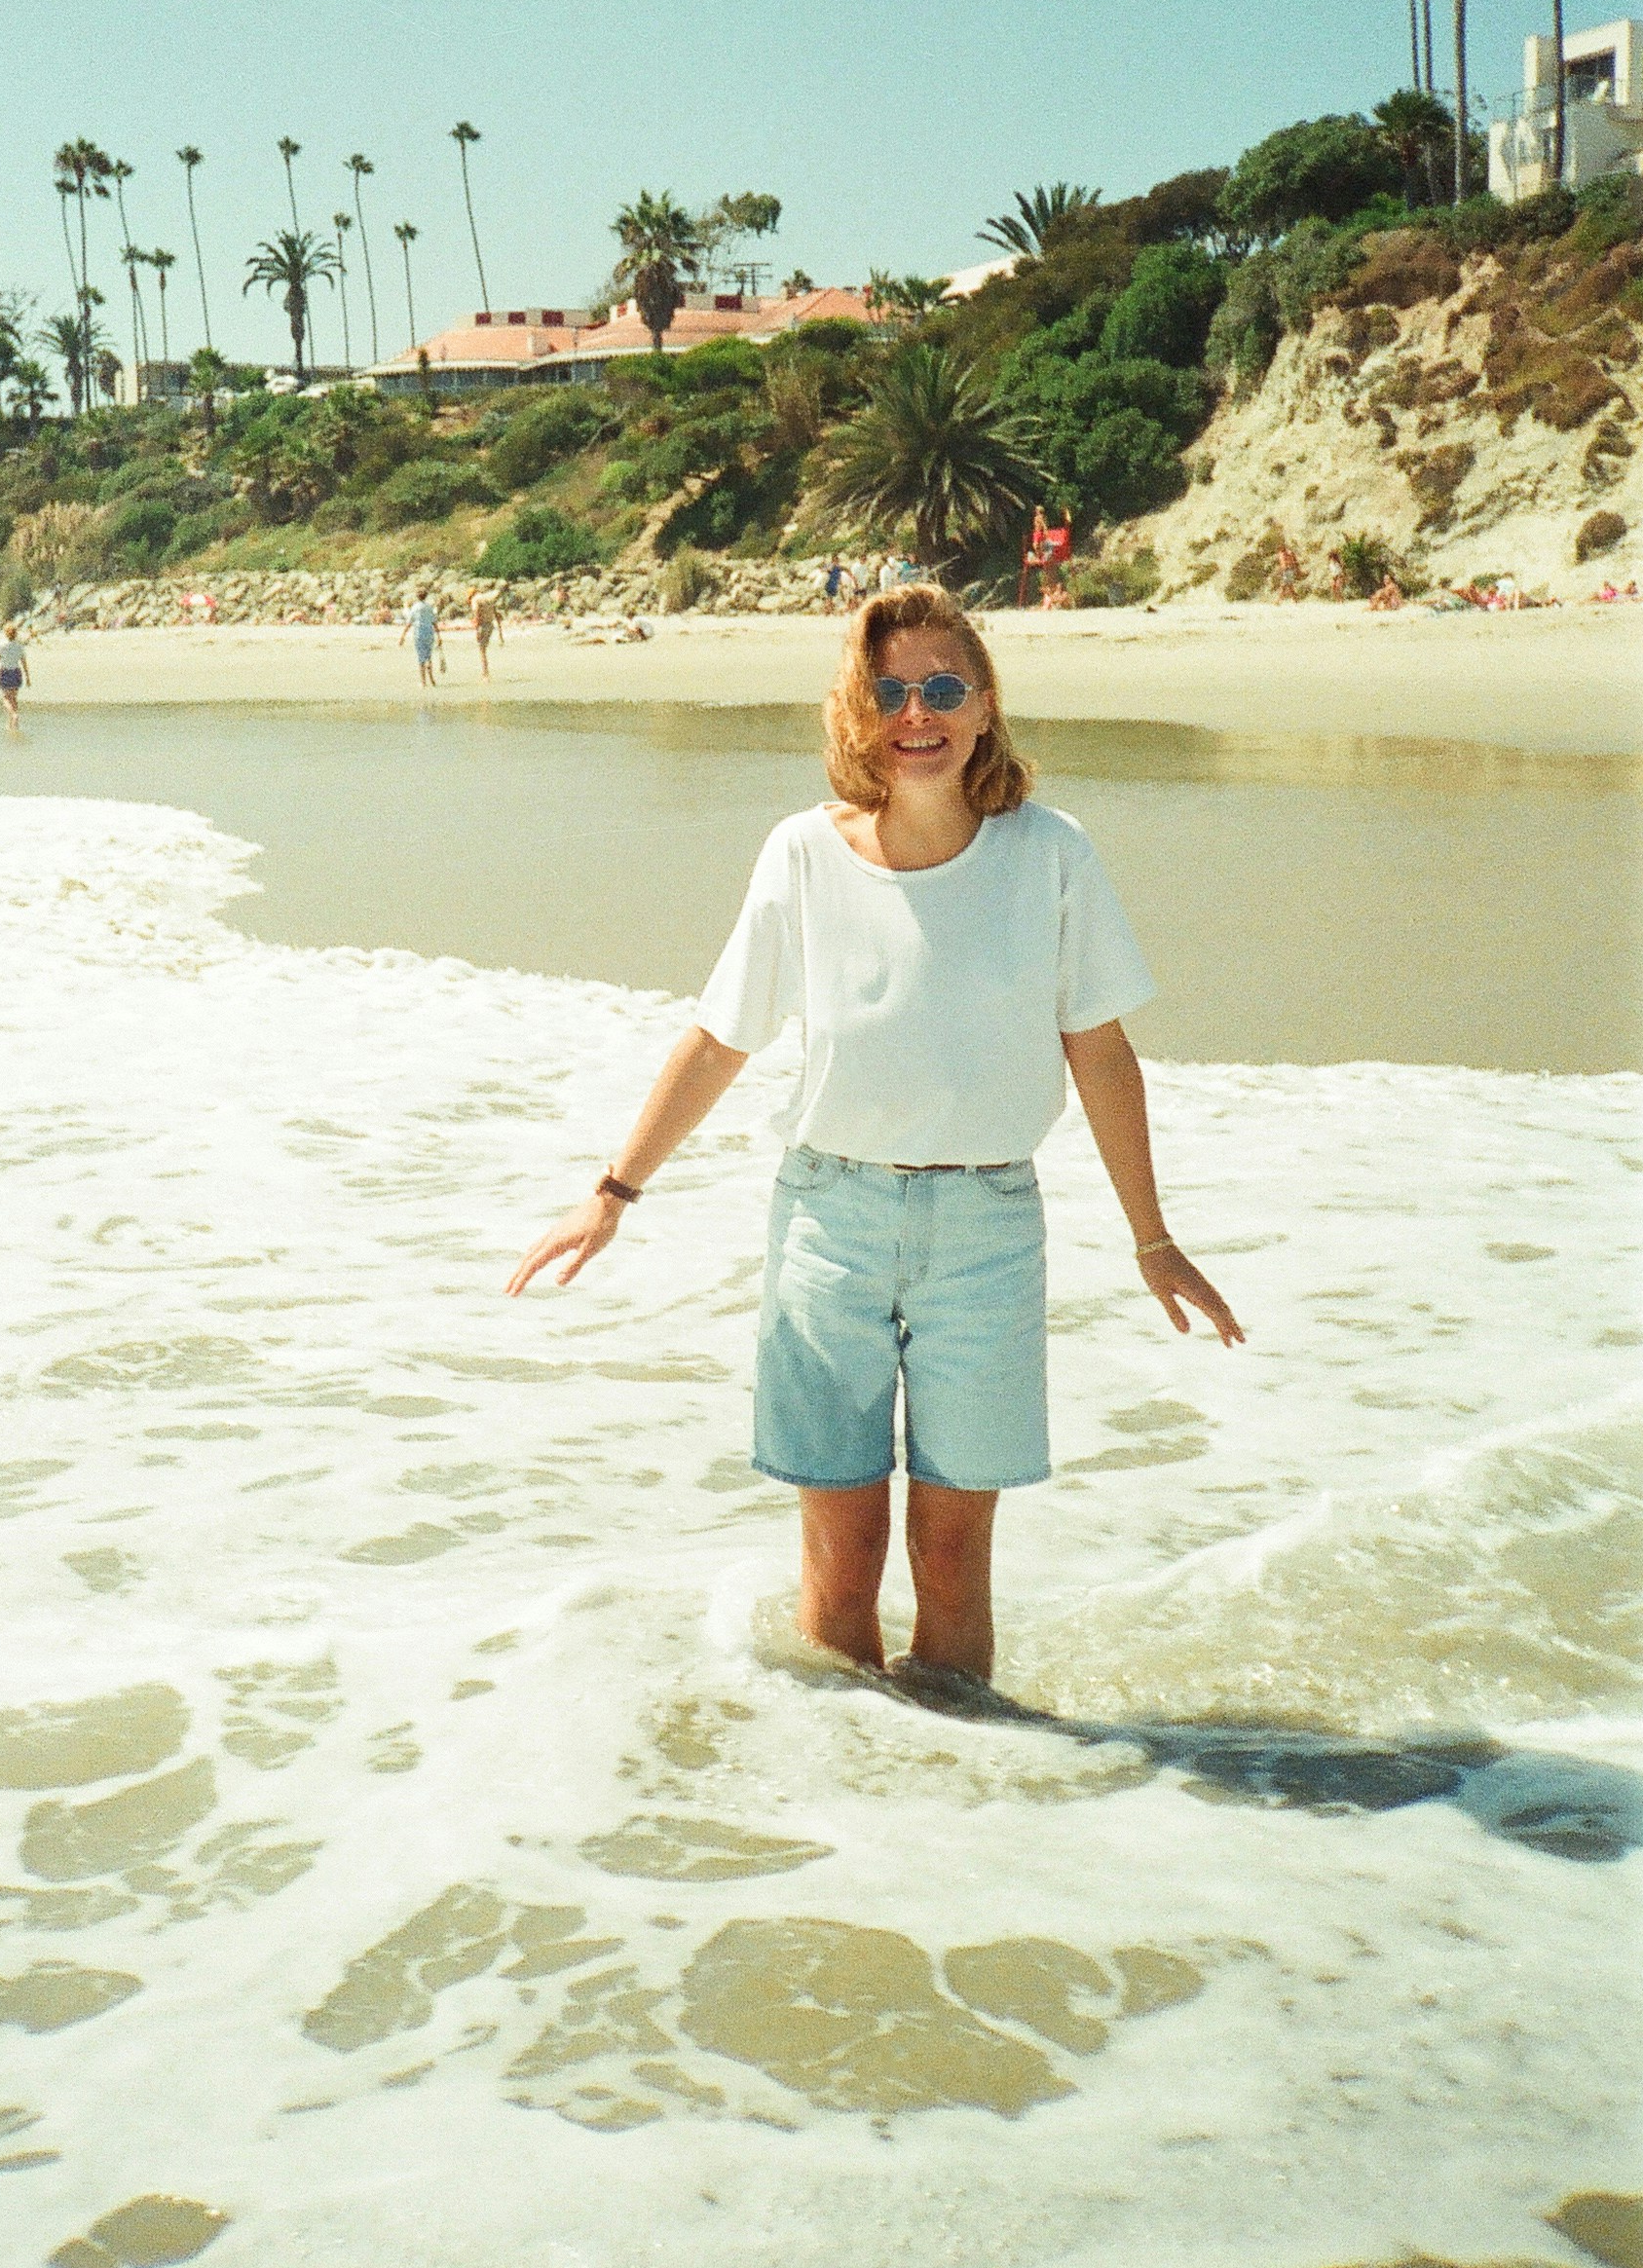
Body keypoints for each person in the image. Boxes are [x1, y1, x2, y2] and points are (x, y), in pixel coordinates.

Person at [508, 582, 1242, 1689]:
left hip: (985, 1232)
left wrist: (1150, 1237)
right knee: (840, 1558)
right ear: (857, 710)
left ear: (985, 705)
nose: (917, 712)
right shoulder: (802, 854)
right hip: (828, 1224)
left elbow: (1099, 1051)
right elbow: (720, 1037)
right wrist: (611, 1191)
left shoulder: (1051, 854)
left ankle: (959, 1809)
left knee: (951, 1561)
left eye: (942, 687)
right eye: (889, 689)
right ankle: (851, 1816)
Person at [0, 620, 31, 728]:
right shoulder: (19, 646)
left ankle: (14, 715)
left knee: (6, 698)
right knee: (14, 698)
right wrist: (27, 677)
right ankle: (12, 723)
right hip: (16, 672)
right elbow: (23, 662)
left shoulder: (1, 645)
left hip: (6, 672)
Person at [400, 589, 438, 688]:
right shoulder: (429, 607)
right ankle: (432, 680)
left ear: (417, 597)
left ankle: (423, 682)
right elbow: (434, 622)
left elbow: (409, 622)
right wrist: (439, 636)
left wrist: (402, 636)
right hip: (429, 633)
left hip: (419, 634)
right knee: (428, 657)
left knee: (421, 658)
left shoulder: (415, 607)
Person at [469, 587, 499, 679]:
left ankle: (485, 674)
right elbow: (496, 613)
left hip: (482, 626)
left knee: (482, 651)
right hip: (490, 625)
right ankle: (485, 672)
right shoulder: (488, 598)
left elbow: (477, 613)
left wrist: (476, 629)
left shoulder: (475, 600)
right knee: (484, 649)